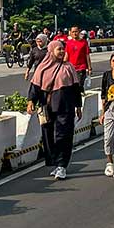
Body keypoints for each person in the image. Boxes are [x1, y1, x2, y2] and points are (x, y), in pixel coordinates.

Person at [26, 40, 82, 180]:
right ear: (51, 51)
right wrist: (31, 101)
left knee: (63, 135)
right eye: (59, 49)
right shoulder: (42, 68)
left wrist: (78, 106)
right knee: (48, 136)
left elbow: (76, 89)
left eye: (63, 49)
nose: (62, 52)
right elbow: (35, 87)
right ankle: (55, 163)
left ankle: (62, 165)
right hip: (47, 107)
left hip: (65, 107)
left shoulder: (68, 68)